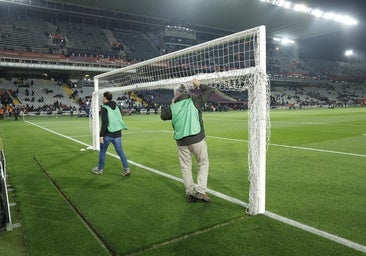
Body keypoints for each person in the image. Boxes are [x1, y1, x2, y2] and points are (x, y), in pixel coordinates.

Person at [161, 79, 214, 202]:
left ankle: (190, 193)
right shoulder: (194, 101)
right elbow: (209, 90)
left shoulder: (173, 107)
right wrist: (199, 84)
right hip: (197, 138)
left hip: (181, 142)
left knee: (186, 167)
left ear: (176, 95)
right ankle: (200, 191)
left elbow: (163, 115)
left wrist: (172, 103)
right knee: (203, 163)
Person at [92, 91, 131, 176]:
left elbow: (105, 123)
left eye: (103, 97)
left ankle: (99, 169)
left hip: (108, 134)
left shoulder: (104, 108)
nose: (102, 98)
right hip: (117, 134)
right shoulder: (117, 107)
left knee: (102, 151)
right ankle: (126, 169)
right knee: (120, 152)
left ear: (105, 98)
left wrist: (101, 135)